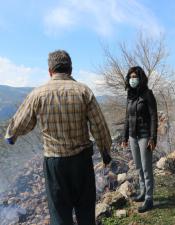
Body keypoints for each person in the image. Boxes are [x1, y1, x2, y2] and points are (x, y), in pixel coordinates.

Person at [5, 50, 112, 225]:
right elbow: (98, 126)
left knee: (60, 213)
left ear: (50, 71)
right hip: (81, 162)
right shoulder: (84, 91)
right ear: (70, 69)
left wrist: (11, 135)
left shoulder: (38, 94)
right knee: (85, 212)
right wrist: (105, 152)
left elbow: (23, 122)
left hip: (55, 164)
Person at [121, 66, 158, 213]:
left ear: (141, 78)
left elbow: (154, 117)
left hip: (144, 136)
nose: (132, 79)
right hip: (132, 136)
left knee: (147, 168)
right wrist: (124, 136)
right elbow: (127, 117)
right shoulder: (129, 95)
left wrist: (153, 137)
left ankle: (149, 198)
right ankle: (143, 192)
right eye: (130, 77)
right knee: (138, 167)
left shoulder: (148, 95)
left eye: (135, 77)